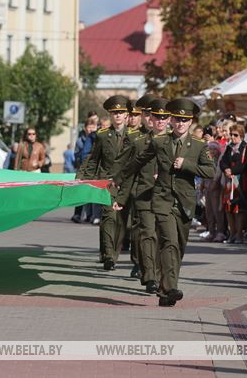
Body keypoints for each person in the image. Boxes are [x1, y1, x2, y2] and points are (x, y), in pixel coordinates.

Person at [115, 98, 215, 307]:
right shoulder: (160, 142)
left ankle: (165, 291)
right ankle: (171, 288)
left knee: (178, 246)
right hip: (162, 200)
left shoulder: (198, 146)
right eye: (177, 119)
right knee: (168, 242)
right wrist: (117, 178)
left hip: (185, 203)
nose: (180, 124)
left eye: (184, 120)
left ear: (190, 122)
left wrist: (186, 164)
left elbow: (211, 171)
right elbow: (138, 161)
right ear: (172, 120)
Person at [113, 97, 169, 293]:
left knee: (165, 239)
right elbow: (128, 171)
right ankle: (150, 277)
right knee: (148, 235)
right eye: (150, 115)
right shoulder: (138, 141)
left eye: (163, 116)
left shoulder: (174, 141)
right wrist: (120, 198)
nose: (154, 119)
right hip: (143, 195)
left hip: (167, 198)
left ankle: (162, 276)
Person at [77, 95, 130, 270]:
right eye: (115, 113)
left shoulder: (135, 136)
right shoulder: (102, 136)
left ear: (126, 115)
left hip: (128, 184)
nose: (118, 116)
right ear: (110, 114)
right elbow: (93, 159)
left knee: (122, 222)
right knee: (109, 217)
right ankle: (109, 256)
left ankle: (113, 252)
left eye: (121, 112)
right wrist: (82, 178)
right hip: (107, 182)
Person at [220, 123, 247, 244]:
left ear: (242, 135)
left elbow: (246, 165)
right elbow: (222, 162)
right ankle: (232, 233)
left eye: (236, 135)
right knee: (228, 208)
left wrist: (232, 170)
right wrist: (225, 169)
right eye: (231, 134)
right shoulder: (229, 147)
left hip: (240, 182)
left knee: (239, 209)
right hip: (229, 182)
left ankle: (239, 234)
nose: (233, 137)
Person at [71, 113, 100, 223]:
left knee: (91, 193)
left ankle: (90, 215)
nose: (91, 129)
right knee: (81, 193)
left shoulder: (96, 138)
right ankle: (77, 214)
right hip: (82, 168)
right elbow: (77, 155)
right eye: (89, 127)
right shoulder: (80, 140)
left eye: (93, 127)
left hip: (93, 169)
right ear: (85, 128)